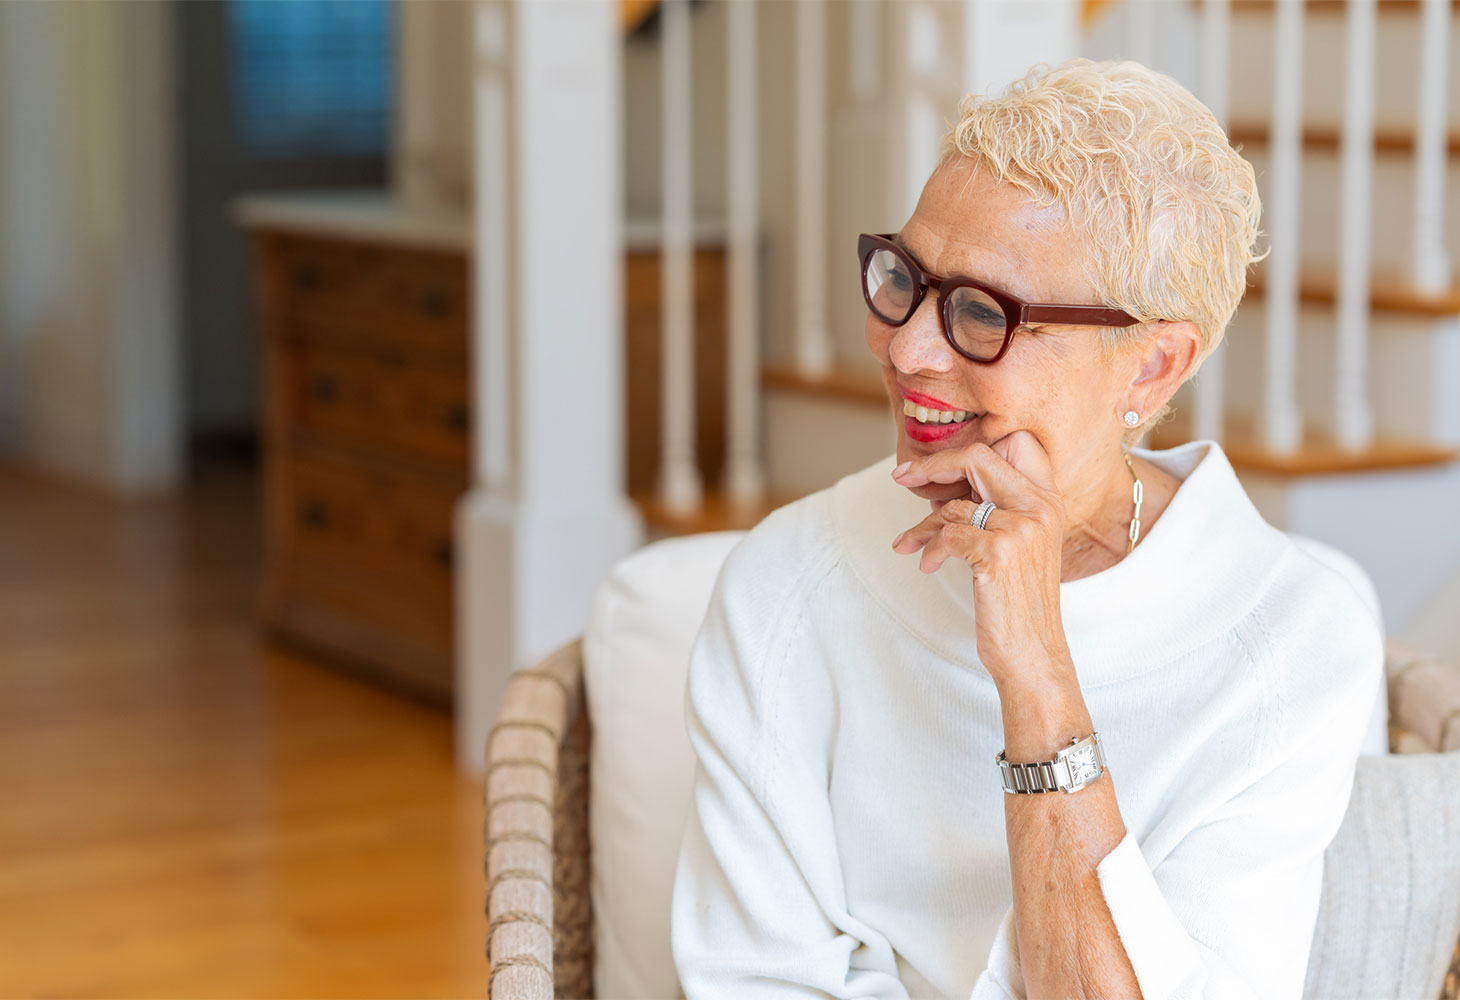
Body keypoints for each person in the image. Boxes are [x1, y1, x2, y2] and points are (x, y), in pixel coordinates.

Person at [669, 57, 1387, 999]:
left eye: (981, 312)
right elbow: (748, 981)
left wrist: (1038, 677)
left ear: (1151, 367)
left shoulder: (1294, 638)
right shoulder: (791, 582)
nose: (906, 350)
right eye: (906, 278)